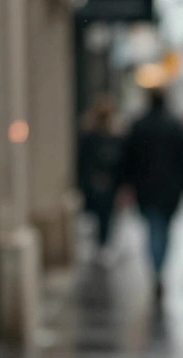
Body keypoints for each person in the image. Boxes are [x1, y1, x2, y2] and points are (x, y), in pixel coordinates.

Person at [119, 88, 183, 297]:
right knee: (163, 230)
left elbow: (127, 159)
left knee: (154, 229)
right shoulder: (175, 125)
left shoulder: (140, 125)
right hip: (170, 189)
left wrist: (126, 184)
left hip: (147, 188)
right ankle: (159, 269)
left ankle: (156, 269)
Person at [77, 96, 124, 262]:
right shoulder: (92, 136)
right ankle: (101, 243)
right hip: (97, 182)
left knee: (105, 215)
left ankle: (102, 243)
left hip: (107, 182)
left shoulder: (113, 136)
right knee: (100, 214)